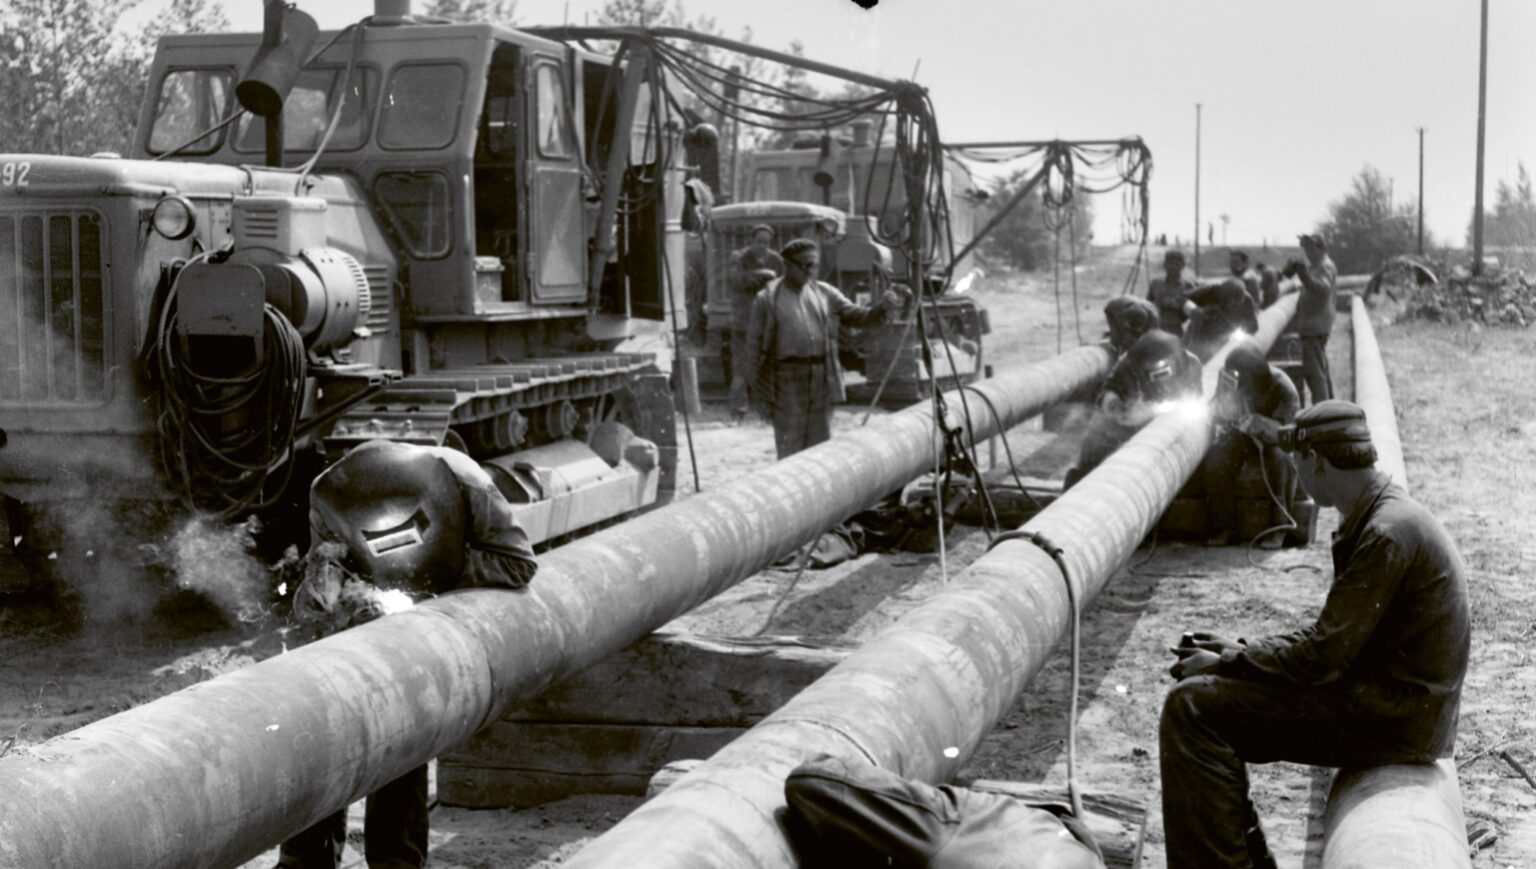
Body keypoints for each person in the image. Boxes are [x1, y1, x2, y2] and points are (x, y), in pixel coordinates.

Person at [1161, 401, 1469, 868]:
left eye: (1297, 461)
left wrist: (1231, 662)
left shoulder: (1384, 534)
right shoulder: (1382, 513)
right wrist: (1240, 653)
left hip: (1394, 721)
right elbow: (1330, 643)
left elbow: (1322, 656)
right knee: (1209, 698)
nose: (1294, 470)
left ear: (1318, 462)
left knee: (1192, 709)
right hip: (1397, 707)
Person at [279, 439, 539, 869]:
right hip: (373, 606)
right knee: (321, 708)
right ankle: (304, 858)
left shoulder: (466, 482)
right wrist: (322, 592)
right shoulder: (327, 495)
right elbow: (324, 574)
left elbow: (518, 565)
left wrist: (429, 581)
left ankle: (396, 860)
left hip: (435, 608)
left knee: (403, 718)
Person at [742, 238, 902, 460]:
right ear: (787, 265)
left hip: (821, 378)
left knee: (820, 448)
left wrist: (882, 308)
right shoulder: (767, 299)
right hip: (786, 380)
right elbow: (752, 348)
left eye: (814, 265)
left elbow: (858, 316)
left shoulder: (825, 293)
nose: (810, 271)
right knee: (791, 448)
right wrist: (752, 391)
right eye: (804, 265)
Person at [1064, 330, 1201, 488]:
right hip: (1131, 416)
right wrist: (1114, 405)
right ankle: (1077, 482)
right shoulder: (1129, 365)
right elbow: (1109, 390)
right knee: (1097, 435)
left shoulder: (1191, 366)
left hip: (1166, 422)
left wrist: (1161, 411)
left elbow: (1193, 402)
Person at [1199, 338, 1299, 547]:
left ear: (1254, 380)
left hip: (1274, 439)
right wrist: (1219, 410)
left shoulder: (1282, 388)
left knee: (1281, 462)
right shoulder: (1230, 376)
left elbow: (1287, 435)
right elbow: (1215, 407)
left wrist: (1260, 424)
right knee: (1216, 460)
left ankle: (1279, 528)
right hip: (1241, 434)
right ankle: (1226, 528)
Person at [726, 226, 785, 421]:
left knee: (768, 367)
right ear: (751, 241)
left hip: (768, 322)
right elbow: (737, 281)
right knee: (741, 368)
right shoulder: (739, 257)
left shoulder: (776, 259)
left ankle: (767, 413)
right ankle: (738, 413)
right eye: (758, 241)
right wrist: (763, 274)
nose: (762, 246)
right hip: (743, 322)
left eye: (766, 242)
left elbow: (783, 285)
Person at [1284, 234, 1338, 405]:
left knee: (1314, 375)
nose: (1307, 252)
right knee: (1320, 370)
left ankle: (1322, 411)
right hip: (1312, 325)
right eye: (1305, 248)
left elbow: (1323, 290)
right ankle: (1329, 406)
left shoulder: (1325, 267)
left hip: (1315, 327)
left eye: (1311, 248)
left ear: (1321, 248)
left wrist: (1305, 276)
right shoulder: (1316, 266)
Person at [1183, 276, 1260, 363]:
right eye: (1227, 301)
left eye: (1235, 304)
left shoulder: (1247, 300)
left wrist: (1242, 330)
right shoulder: (1208, 291)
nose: (1230, 305)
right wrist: (1193, 310)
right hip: (1204, 327)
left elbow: (1254, 327)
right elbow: (1183, 298)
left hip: (1227, 332)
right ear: (1220, 295)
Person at [1147, 250, 1195, 335]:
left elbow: (1193, 312)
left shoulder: (1188, 286)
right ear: (1165, 265)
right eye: (1170, 264)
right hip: (1156, 330)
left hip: (1176, 330)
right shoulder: (1156, 284)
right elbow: (1148, 305)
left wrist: (1177, 305)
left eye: (1177, 264)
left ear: (1183, 266)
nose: (1173, 267)